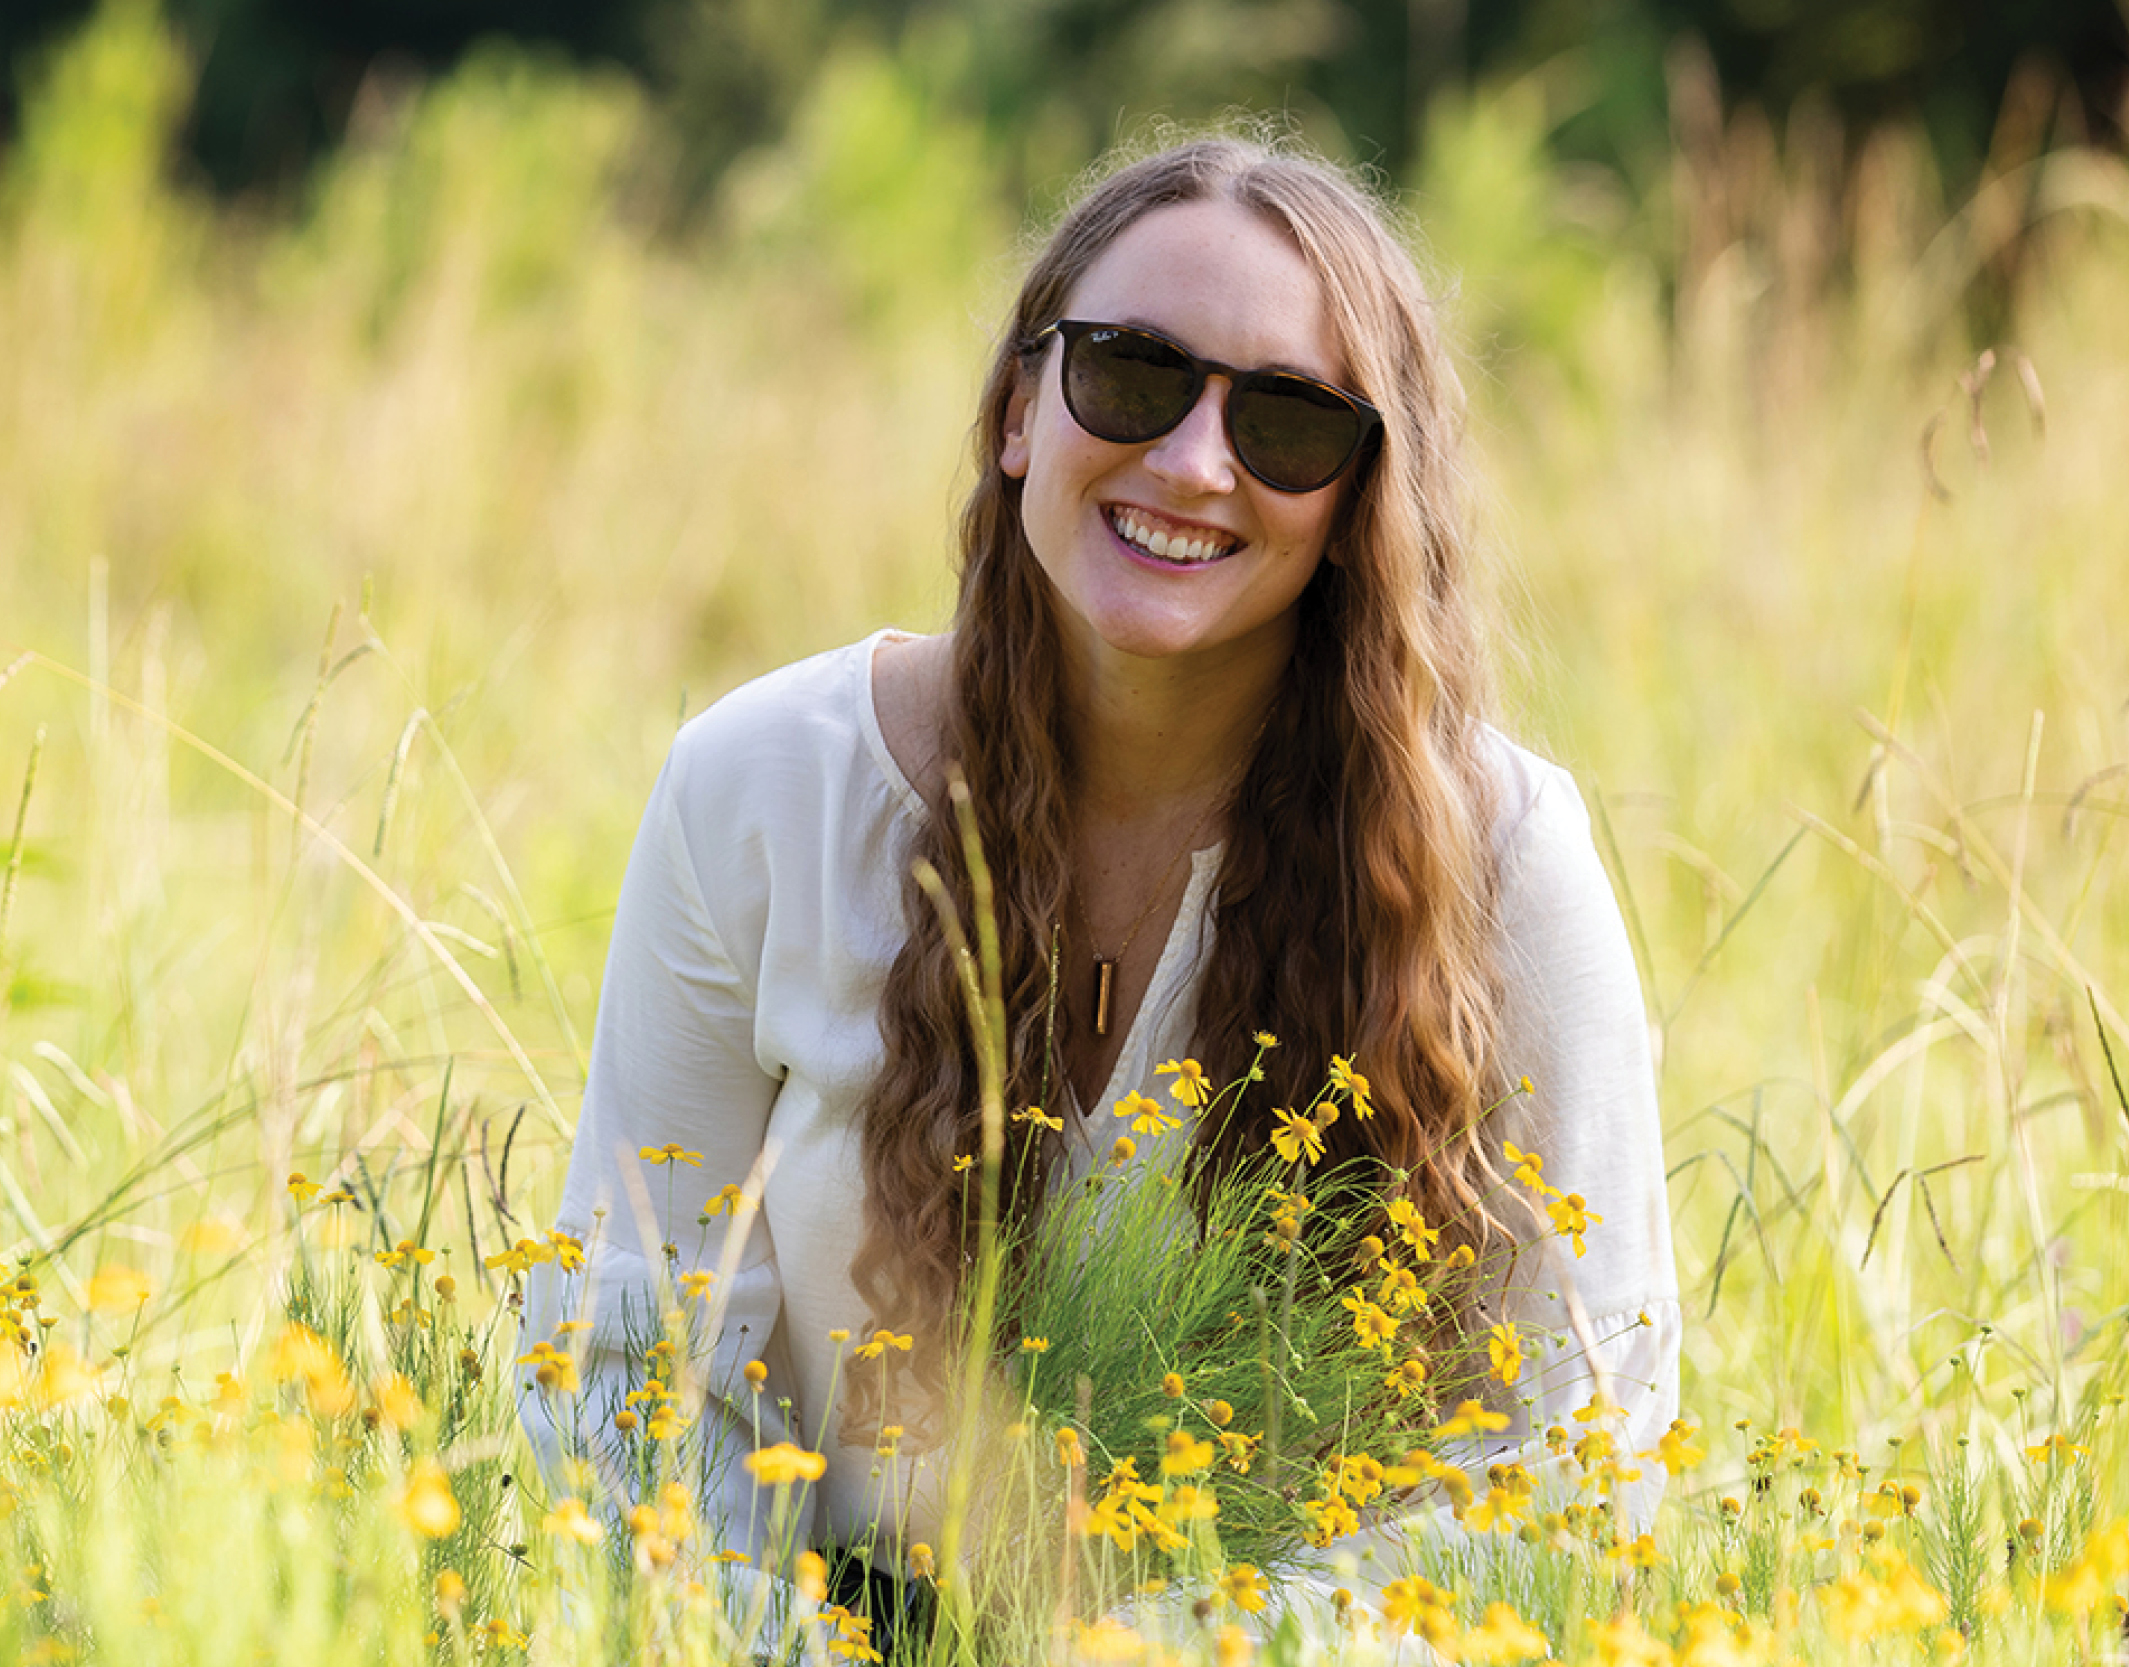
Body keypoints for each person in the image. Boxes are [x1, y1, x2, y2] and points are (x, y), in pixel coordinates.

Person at [519, 134, 1681, 1655]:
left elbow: (1576, 1464)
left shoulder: (1509, 861)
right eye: (1133, 375)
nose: (1197, 463)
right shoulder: (757, 790)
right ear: (1019, 409)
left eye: (1288, 423)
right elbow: (622, 1377)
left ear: (1357, 501)